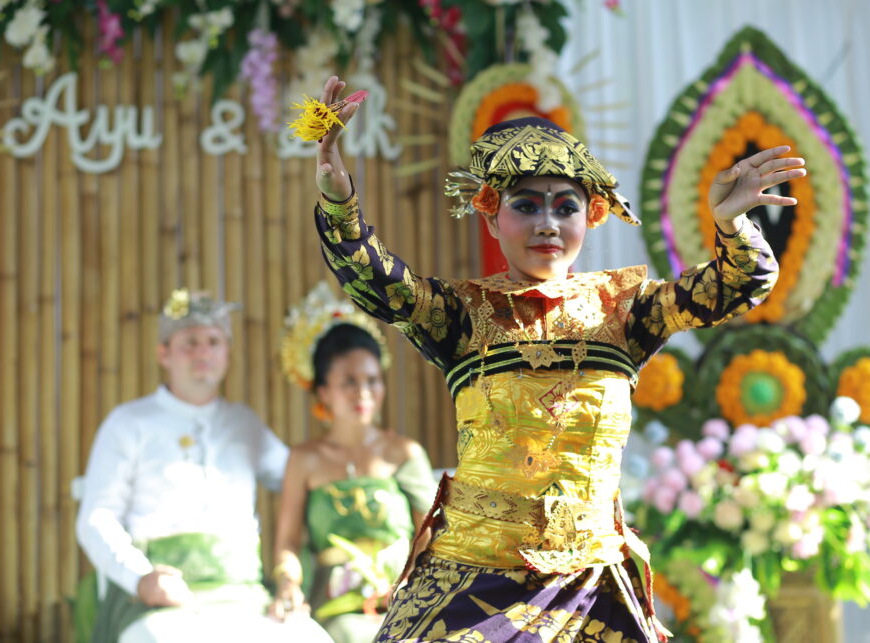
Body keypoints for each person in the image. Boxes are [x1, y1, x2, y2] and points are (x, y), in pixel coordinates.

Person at [309, 75, 802, 642]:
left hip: (590, 588)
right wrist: (338, 199)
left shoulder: (626, 310)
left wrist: (732, 224)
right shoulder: (462, 313)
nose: (548, 223)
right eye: (526, 206)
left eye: (566, 207)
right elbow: (374, 280)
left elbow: (741, 284)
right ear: (490, 215)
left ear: (590, 217)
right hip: (471, 578)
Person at [76, 288, 331, 643]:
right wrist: (141, 578)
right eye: (190, 343)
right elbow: (96, 518)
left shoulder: (245, 424)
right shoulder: (129, 423)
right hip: (155, 597)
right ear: (164, 353)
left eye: (213, 342)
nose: (203, 352)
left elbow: (302, 481)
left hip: (245, 595)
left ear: (227, 354)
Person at [270, 282, 438, 642]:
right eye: (348, 381)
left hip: (403, 602)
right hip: (335, 607)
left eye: (372, 380)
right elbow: (288, 543)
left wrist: (410, 586)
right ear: (323, 392)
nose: (363, 392)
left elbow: (430, 537)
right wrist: (287, 582)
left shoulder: (404, 453)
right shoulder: (305, 460)